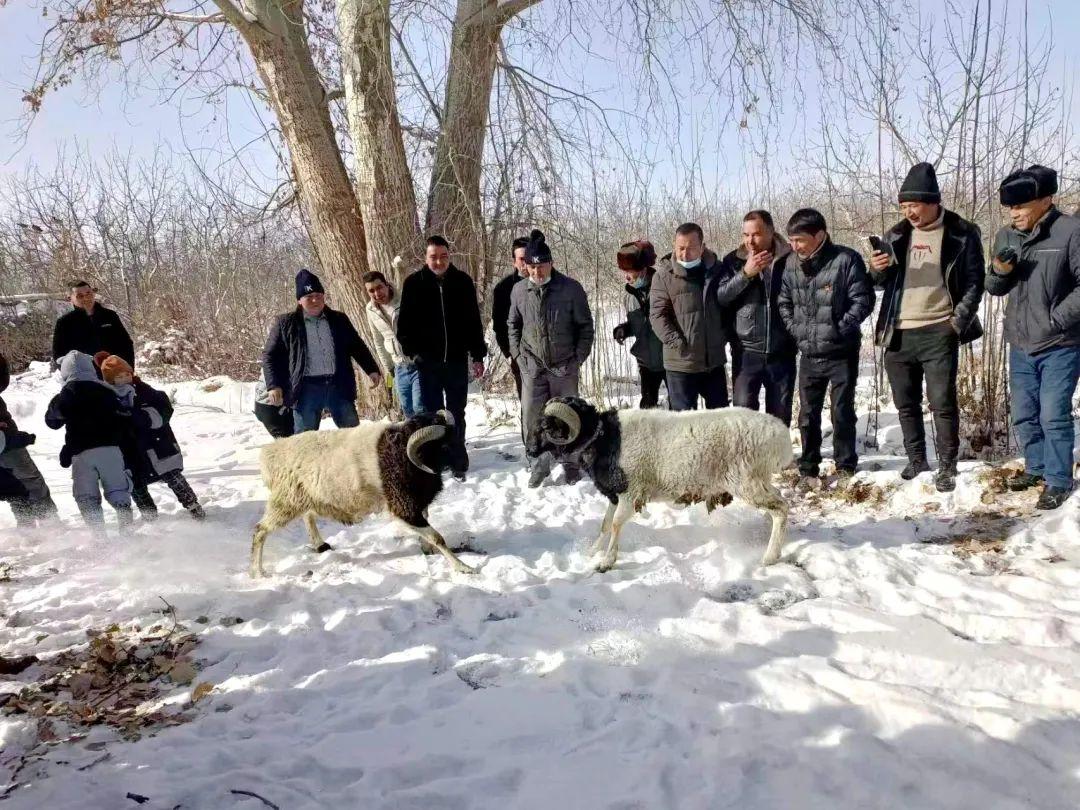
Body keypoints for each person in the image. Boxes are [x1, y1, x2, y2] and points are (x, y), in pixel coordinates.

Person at [868, 162, 985, 493]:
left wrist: (956, 322)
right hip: (898, 332)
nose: (909, 212)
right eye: (904, 206)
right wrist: (876, 270)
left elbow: (976, 282)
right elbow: (880, 282)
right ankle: (916, 459)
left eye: (914, 205)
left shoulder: (962, 232)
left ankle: (948, 466)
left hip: (939, 329)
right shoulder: (897, 234)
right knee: (905, 403)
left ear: (932, 201)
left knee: (942, 402)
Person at [986, 165, 1080, 510]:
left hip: (1060, 343)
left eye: (1022, 206)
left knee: (1053, 413)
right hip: (1020, 341)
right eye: (1010, 207)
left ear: (1046, 201)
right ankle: (1037, 467)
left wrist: (1055, 320)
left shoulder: (1071, 232)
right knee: (1025, 413)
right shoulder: (1007, 235)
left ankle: (1058, 479)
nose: (1015, 213)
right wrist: (999, 271)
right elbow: (994, 288)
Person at [778, 208, 874, 483]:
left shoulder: (846, 260)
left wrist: (838, 328)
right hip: (808, 352)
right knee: (807, 414)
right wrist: (796, 329)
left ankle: (845, 465)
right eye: (792, 240)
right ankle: (808, 466)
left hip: (840, 352)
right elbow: (784, 301)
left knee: (842, 411)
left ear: (819, 235)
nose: (794, 246)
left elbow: (863, 301)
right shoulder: (791, 264)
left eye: (800, 240)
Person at [508, 229, 595, 487]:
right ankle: (538, 463)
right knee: (532, 419)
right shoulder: (519, 291)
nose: (537, 272)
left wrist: (577, 359)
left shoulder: (570, 289)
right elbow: (512, 325)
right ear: (527, 266)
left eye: (542, 266)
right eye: (532, 267)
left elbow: (585, 327)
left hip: (564, 365)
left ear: (551, 263)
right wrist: (518, 356)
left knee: (568, 416)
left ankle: (571, 463)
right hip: (532, 367)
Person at [396, 235, 487, 462]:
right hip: (428, 363)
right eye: (433, 257)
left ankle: (457, 453)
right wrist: (414, 353)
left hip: (456, 360)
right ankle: (438, 453)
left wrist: (477, 355)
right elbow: (404, 325)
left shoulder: (463, 282)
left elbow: (473, 322)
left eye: (443, 256)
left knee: (457, 411)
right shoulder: (413, 283)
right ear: (426, 258)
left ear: (449, 256)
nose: (439, 262)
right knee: (433, 413)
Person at [262, 269, 382, 434]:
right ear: (299, 300)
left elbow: (357, 346)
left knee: (353, 437)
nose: (314, 300)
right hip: (305, 390)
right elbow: (270, 356)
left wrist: (372, 369)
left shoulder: (339, 319)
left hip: (338, 385)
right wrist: (273, 385)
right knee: (305, 442)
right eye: (308, 297)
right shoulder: (286, 323)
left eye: (318, 295)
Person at [715, 210, 797, 426]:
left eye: (756, 234)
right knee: (743, 419)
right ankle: (747, 460)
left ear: (771, 231)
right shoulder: (733, 261)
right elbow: (722, 297)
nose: (750, 241)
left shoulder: (790, 258)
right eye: (745, 235)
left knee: (779, 419)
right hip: (746, 352)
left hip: (783, 351)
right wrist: (745, 274)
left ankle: (776, 460)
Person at [100, 354, 206, 521]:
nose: (125, 378)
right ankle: (150, 517)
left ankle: (193, 506)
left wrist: (141, 416)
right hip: (130, 452)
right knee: (137, 485)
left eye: (127, 374)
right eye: (119, 377)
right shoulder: (107, 399)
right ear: (111, 380)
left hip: (157, 445)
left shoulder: (144, 390)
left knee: (173, 476)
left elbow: (163, 410)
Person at [45, 350, 134, 534]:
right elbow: (123, 416)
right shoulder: (106, 390)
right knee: (118, 489)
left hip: (81, 453)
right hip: (110, 448)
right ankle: (127, 531)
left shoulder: (65, 394)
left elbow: (52, 422)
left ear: (66, 372)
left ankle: (99, 537)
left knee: (86, 496)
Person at [649, 222, 730, 410]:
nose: (685, 254)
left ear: (702, 247)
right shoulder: (663, 275)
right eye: (680, 248)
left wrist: (721, 337)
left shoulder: (717, 270)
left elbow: (728, 307)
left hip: (713, 361)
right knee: (683, 424)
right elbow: (657, 316)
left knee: (720, 420)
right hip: (681, 363)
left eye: (691, 248)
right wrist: (679, 344)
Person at [0, 353, 58, 527]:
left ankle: (27, 527)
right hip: (9, 447)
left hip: (9, 443)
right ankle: (48, 522)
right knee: (29, 482)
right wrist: (18, 439)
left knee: (14, 488)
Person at [613, 240, 666, 408]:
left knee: (680, 409)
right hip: (646, 362)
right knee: (647, 409)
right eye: (624, 272)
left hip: (669, 360)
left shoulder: (663, 287)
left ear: (643, 270)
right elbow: (638, 324)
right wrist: (624, 329)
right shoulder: (629, 295)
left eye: (630, 272)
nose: (627, 277)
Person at [364, 268, 421, 418]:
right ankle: (415, 441)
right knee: (408, 410)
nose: (377, 294)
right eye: (371, 291)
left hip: (417, 363)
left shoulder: (404, 298)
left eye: (379, 287)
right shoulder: (370, 310)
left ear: (386, 284)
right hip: (399, 368)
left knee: (420, 407)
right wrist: (388, 367)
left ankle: (431, 440)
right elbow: (378, 341)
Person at [52, 280, 135, 368]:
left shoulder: (110, 316)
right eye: (80, 296)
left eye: (88, 293)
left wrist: (128, 369)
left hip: (115, 373)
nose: (86, 298)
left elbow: (126, 344)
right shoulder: (64, 323)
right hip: (84, 376)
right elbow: (59, 356)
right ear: (70, 299)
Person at [492, 236, 531, 401]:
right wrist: (510, 353)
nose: (525, 263)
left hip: (550, 358)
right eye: (521, 259)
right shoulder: (503, 288)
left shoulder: (547, 283)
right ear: (514, 261)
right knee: (528, 404)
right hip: (520, 356)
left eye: (528, 258)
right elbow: (499, 325)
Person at [254, 370, 294, 439]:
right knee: (282, 441)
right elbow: (269, 363)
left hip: (288, 401)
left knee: (291, 437)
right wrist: (273, 386)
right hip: (268, 402)